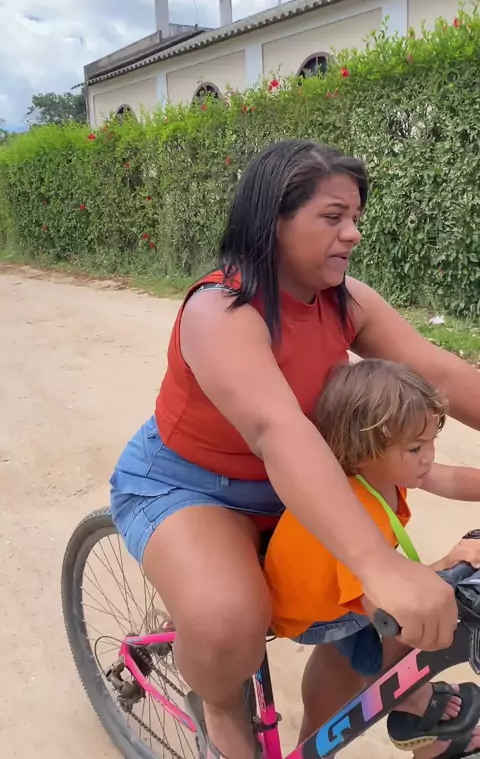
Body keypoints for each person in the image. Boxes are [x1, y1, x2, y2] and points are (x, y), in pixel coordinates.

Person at [110, 139, 480, 759]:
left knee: (381, 622)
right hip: (191, 486)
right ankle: (221, 716)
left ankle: (321, 743)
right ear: (273, 221)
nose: (352, 232)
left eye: (355, 217)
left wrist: (379, 572)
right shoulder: (220, 309)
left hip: (304, 479)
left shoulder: (346, 300)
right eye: (333, 216)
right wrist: (376, 563)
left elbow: (438, 373)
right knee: (231, 619)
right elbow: (277, 431)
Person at [264, 359, 480, 758]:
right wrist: (448, 563)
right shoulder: (355, 507)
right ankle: (405, 696)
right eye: (416, 448)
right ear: (365, 449)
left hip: (339, 591)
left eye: (430, 442)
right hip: (314, 614)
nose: (428, 457)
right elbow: (384, 599)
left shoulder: (386, 470)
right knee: (407, 621)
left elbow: (449, 478)